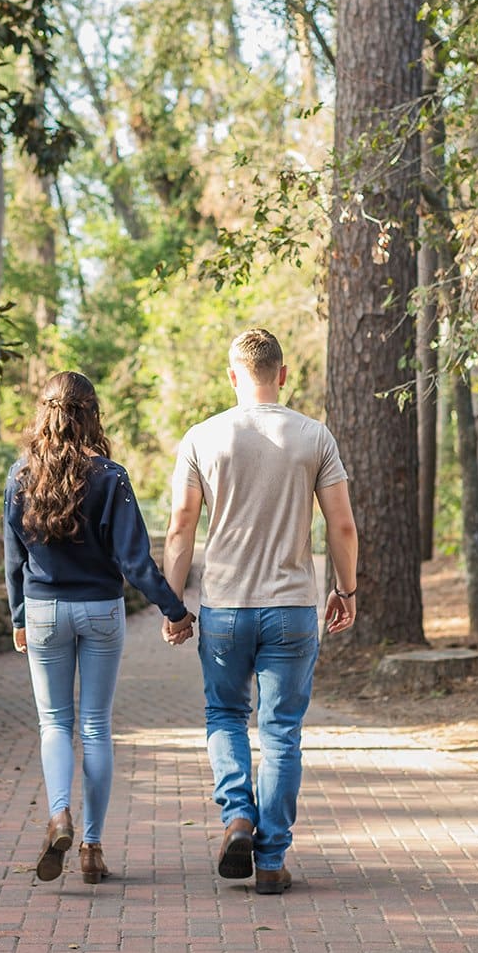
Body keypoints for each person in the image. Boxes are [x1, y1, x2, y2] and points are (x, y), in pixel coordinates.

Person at [161, 329, 358, 893]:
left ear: (232, 376)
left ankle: (237, 816)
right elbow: (341, 525)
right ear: (284, 373)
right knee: (280, 734)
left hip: (223, 608)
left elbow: (180, 526)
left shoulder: (202, 437)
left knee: (225, 716)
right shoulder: (314, 436)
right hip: (292, 607)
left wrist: (175, 605)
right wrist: (345, 590)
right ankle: (270, 862)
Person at [5, 371, 194, 885]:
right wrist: (173, 610)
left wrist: (19, 616)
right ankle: (90, 847)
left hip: (43, 611)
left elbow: (14, 559)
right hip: (101, 611)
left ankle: (59, 814)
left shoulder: (20, 476)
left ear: (43, 414)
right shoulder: (111, 477)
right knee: (95, 727)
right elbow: (134, 561)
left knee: (54, 725)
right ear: (91, 415)